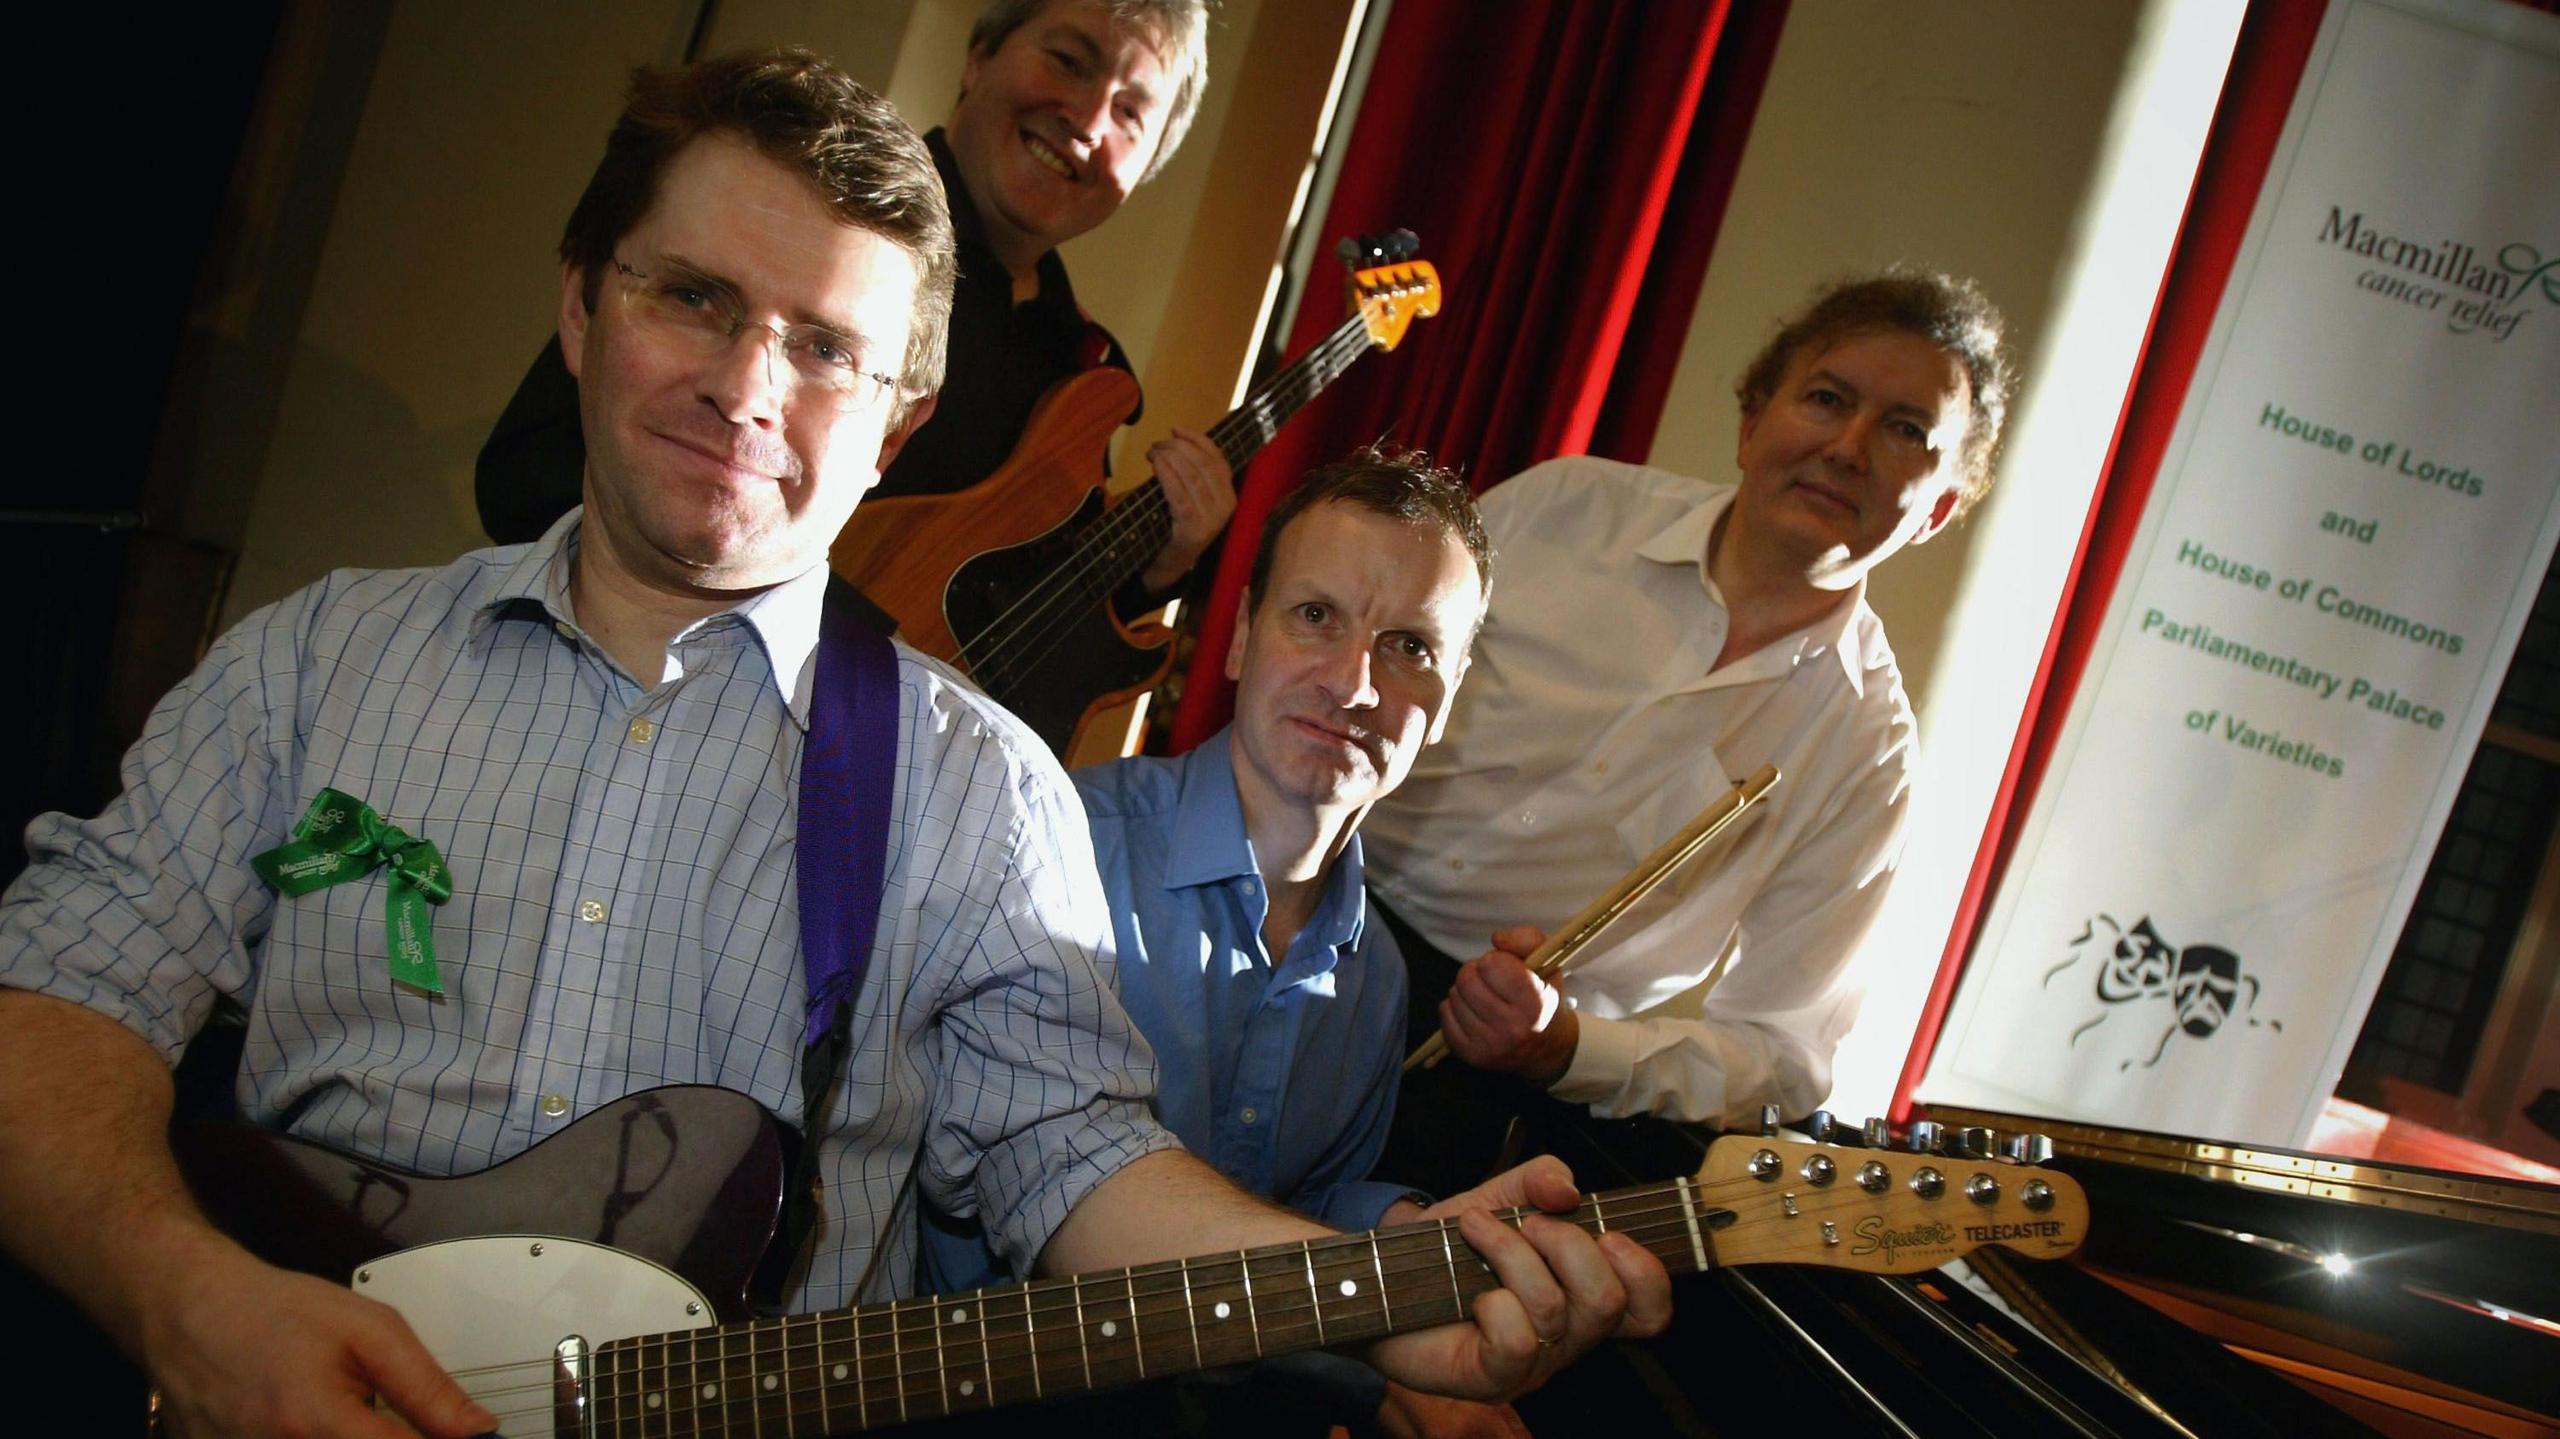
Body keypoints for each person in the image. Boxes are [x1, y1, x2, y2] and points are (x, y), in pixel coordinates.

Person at [0, 51, 1664, 1439]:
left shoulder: (982, 787)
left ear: (901, 423)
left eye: (827, 350)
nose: (746, 383)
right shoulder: (315, 656)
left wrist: (1378, 1298)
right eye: (693, 298)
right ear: (582, 309)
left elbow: (1071, 1157)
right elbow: (57, 999)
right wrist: (186, 1294)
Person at [1361, 270, 2013, 1186]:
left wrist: (1569, 1047)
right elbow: (1346, 661)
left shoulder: (1865, 750)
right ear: (1754, 424)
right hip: (1302, 909)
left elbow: (1783, 1054)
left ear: (1938, 509)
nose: (1850, 447)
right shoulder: (1564, 508)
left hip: (1481, 1069)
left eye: (1907, 431)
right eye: (1827, 399)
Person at [924, 448, 1524, 1435]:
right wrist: (1378, 1352)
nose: (1354, 685)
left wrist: (1406, 1238)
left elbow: (1304, 1192)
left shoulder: (1375, 976)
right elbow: (1017, 1190)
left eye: (1408, 647)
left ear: (1448, 701)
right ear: (1241, 634)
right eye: (1316, 615)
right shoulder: (1061, 846)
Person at [477, 0, 1236, 615]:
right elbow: (528, 474)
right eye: (1069, 61)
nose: (1088, 118)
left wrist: (1154, 572)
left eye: (1132, 114)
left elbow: (1009, 622)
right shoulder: (795, 209)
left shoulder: (1083, 368)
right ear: (980, 57)